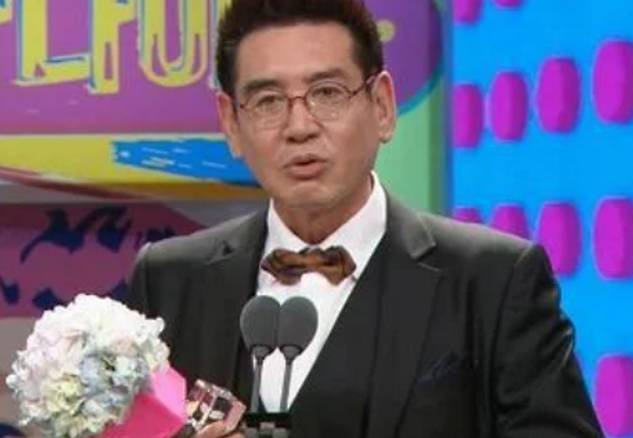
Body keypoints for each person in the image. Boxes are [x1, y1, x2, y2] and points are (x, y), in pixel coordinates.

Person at [126, 0, 604, 436]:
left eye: (327, 93)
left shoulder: (494, 279)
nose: (299, 127)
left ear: (382, 106)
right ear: (231, 122)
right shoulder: (170, 279)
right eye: (268, 101)